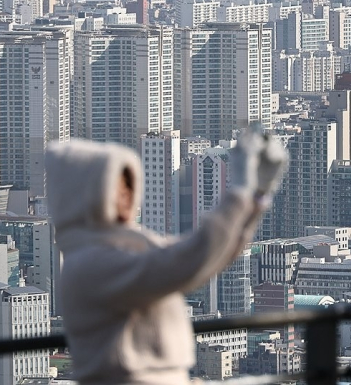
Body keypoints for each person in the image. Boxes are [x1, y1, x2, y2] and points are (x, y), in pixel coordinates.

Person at [46, 128, 287, 385]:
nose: (127, 197)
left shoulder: (126, 248)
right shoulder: (91, 263)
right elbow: (190, 259)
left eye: (129, 186)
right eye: (115, 188)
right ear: (86, 196)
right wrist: (240, 191)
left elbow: (214, 256)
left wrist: (258, 194)